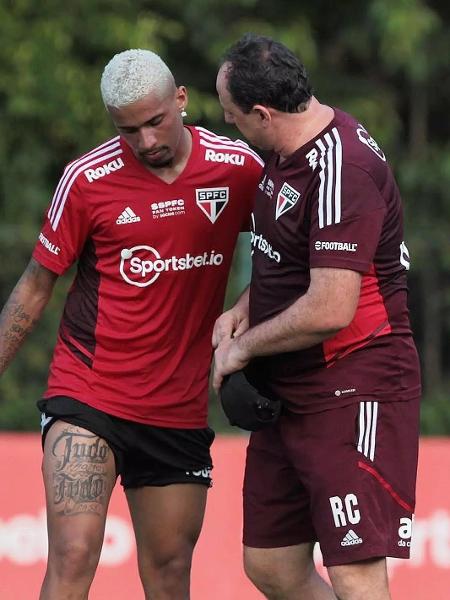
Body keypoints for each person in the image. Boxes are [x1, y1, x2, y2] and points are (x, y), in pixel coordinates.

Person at [0, 49, 263, 599]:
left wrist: (245, 307)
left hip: (177, 408)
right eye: (129, 130)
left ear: (182, 100)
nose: (145, 141)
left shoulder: (237, 168)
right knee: (73, 555)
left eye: (154, 122)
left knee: (168, 575)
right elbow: (35, 283)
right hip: (89, 393)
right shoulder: (87, 179)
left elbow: (291, 252)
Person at [213, 33, 421, 600]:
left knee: (356, 572)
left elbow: (332, 305)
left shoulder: (342, 169)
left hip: (356, 383)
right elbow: (287, 260)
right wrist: (243, 307)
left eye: (233, 117)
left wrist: (244, 347)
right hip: (292, 390)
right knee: (272, 564)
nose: (231, 127)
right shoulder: (281, 153)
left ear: (263, 112)